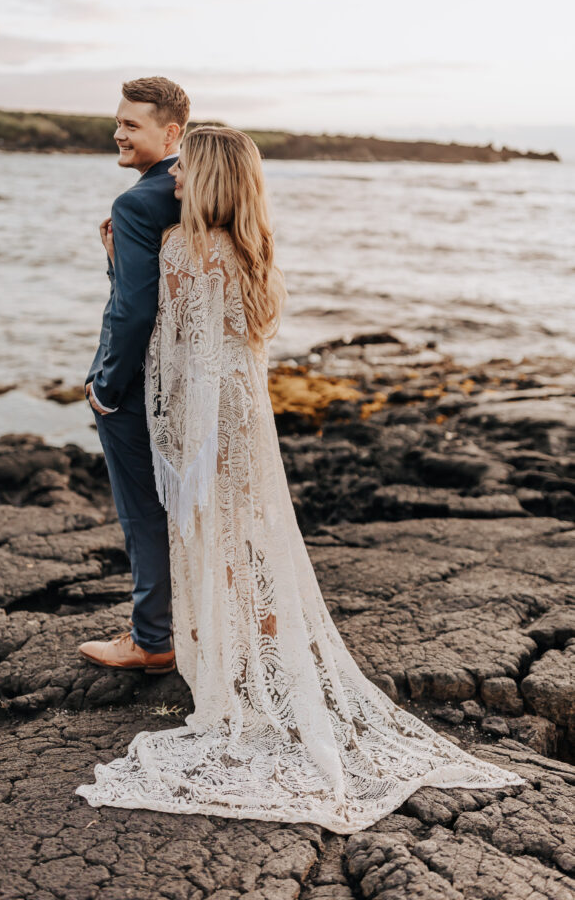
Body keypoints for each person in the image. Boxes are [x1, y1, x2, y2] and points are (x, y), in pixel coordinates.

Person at [76, 126, 527, 834]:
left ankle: (228, 679)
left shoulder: (183, 248)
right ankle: (257, 669)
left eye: (186, 171)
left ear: (210, 179)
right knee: (245, 535)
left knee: (207, 538)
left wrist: (112, 260)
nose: (175, 183)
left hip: (202, 421)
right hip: (243, 416)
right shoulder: (252, 250)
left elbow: (158, 333)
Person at [80, 76, 190, 672]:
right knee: (188, 504)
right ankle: (192, 623)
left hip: (137, 383)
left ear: (171, 132)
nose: (117, 132)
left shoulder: (137, 202)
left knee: (142, 510)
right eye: (117, 121)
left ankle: (152, 639)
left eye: (131, 124)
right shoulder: (204, 191)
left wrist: (106, 384)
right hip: (190, 381)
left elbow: (134, 308)